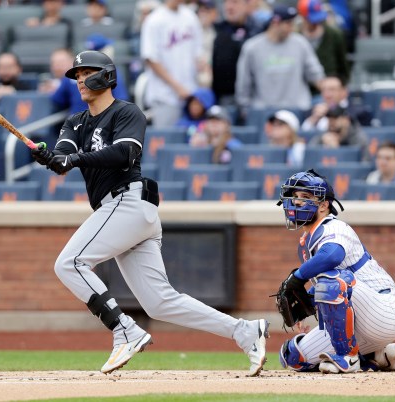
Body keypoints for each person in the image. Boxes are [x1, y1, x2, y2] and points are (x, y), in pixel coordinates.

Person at [29, 50, 269, 375]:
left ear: (107, 76)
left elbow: (125, 153)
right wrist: (51, 158)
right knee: (160, 302)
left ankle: (123, 328)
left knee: (70, 263)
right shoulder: (76, 122)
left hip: (128, 204)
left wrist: (75, 160)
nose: (81, 80)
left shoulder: (126, 112)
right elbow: (65, 153)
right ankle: (245, 331)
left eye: (87, 72)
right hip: (121, 214)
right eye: (77, 75)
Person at [276, 169, 395, 373]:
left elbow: (333, 256)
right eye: (294, 197)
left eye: (305, 197)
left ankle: (349, 357)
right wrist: (303, 303)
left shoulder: (334, 227)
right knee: (292, 356)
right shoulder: (305, 244)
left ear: (324, 204)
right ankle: (377, 356)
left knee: (332, 282)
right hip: (359, 321)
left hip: (385, 310)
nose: (297, 202)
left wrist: (297, 277)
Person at [235, 4, 325, 115]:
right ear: (275, 23)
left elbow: (316, 75)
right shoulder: (252, 47)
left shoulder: (300, 43)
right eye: (288, 23)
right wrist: (245, 107)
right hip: (265, 111)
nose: (292, 28)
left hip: (297, 109)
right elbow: (244, 83)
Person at [140, 0, 204, 127]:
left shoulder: (190, 16)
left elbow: (198, 53)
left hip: (191, 97)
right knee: (167, 141)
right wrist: (177, 87)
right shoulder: (154, 20)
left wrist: (204, 70)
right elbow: (151, 60)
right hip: (165, 97)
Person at [211, 0, 263, 108]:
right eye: (226, 2)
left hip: (252, 97)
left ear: (247, 5)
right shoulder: (217, 29)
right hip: (223, 97)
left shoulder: (258, 30)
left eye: (235, 2)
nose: (229, 7)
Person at [297, 0, 350, 91]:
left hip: (327, 93)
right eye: (312, 20)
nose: (316, 23)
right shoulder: (296, 38)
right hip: (301, 93)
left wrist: (342, 86)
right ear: (303, 18)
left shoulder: (334, 35)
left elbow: (343, 68)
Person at [301, 75, 373, 131]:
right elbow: (301, 137)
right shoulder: (311, 112)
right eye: (323, 90)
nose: (327, 94)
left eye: (332, 90)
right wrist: (314, 118)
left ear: (344, 91)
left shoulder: (360, 113)